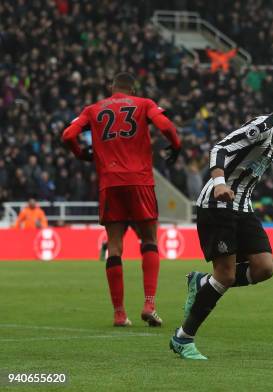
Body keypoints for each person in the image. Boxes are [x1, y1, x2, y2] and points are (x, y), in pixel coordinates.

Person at [169, 79, 273, 360]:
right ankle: (183, 338)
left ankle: (201, 285)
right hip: (217, 204)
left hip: (242, 207)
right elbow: (219, 148)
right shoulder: (263, 127)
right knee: (224, 274)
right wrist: (220, 182)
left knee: (264, 268)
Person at [62, 72, 181, 327]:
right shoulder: (144, 104)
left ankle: (119, 313)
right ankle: (149, 304)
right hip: (139, 181)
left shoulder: (93, 109)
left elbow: (68, 135)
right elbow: (166, 127)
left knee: (114, 246)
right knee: (149, 240)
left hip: (110, 183)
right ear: (133, 89)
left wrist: (82, 154)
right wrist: (176, 145)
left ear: (111, 88)